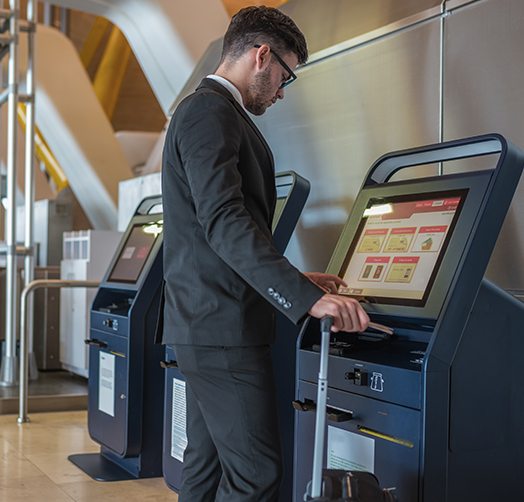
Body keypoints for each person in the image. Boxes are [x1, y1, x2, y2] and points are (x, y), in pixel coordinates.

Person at [160, 6, 370, 501]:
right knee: (256, 474)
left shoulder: (212, 112)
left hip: (208, 325)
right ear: (261, 56)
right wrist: (302, 296)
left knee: (206, 468)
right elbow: (224, 221)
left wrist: (298, 277)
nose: (280, 91)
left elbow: (219, 230)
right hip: (221, 330)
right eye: (285, 75)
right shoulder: (210, 111)